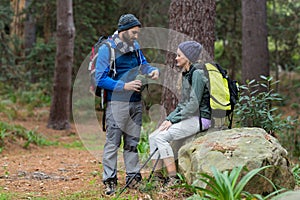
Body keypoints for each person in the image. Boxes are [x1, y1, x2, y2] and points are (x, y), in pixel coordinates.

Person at [95, 14, 159, 195]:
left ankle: (133, 178)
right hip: (116, 103)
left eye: (138, 33)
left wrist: (153, 71)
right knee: (113, 143)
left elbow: (143, 65)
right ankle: (110, 180)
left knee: (132, 142)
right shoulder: (107, 49)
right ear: (123, 30)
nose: (136, 36)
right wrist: (124, 85)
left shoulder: (135, 47)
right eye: (133, 32)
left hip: (135, 102)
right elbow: (100, 79)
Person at [148, 41, 211, 188]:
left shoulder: (197, 74)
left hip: (201, 118)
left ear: (187, 57)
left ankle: (172, 178)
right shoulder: (186, 73)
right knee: (153, 137)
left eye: (179, 55)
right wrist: (169, 119)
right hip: (190, 117)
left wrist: (173, 120)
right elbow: (183, 104)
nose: (176, 58)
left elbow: (194, 105)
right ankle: (157, 178)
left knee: (161, 137)